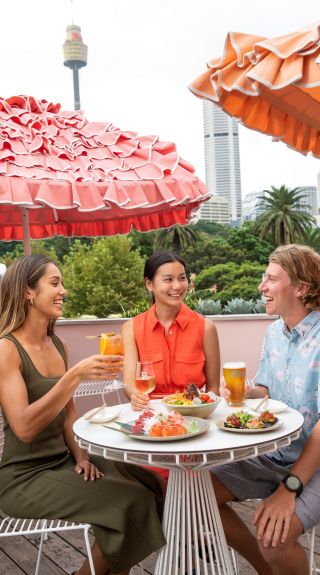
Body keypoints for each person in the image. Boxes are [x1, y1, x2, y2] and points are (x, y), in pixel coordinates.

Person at [0, 255, 165, 575]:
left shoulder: (56, 345)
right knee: (131, 502)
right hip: (23, 478)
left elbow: (68, 416)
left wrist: (81, 456)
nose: (64, 290)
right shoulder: (6, 349)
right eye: (55, 283)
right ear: (27, 292)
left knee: (151, 483)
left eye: (62, 282)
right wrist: (73, 376)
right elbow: (23, 428)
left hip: (63, 460)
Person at [212, 243, 320, 575]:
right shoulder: (274, 332)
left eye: (271, 278)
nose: (262, 286)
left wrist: (290, 488)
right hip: (275, 453)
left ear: (300, 288)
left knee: (275, 540)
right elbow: (269, 390)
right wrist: (246, 392)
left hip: (315, 464)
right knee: (194, 495)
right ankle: (266, 569)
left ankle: (273, 561)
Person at [122, 250, 220, 410]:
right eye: (168, 279)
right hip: (150, 415)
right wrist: (135, 396)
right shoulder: (131, 329)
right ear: (149, 284)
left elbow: (213, 388)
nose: (177, 286)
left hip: (193, 414)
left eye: (182, 278)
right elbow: (129, 383)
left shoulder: (206, 328)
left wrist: (202, 410)